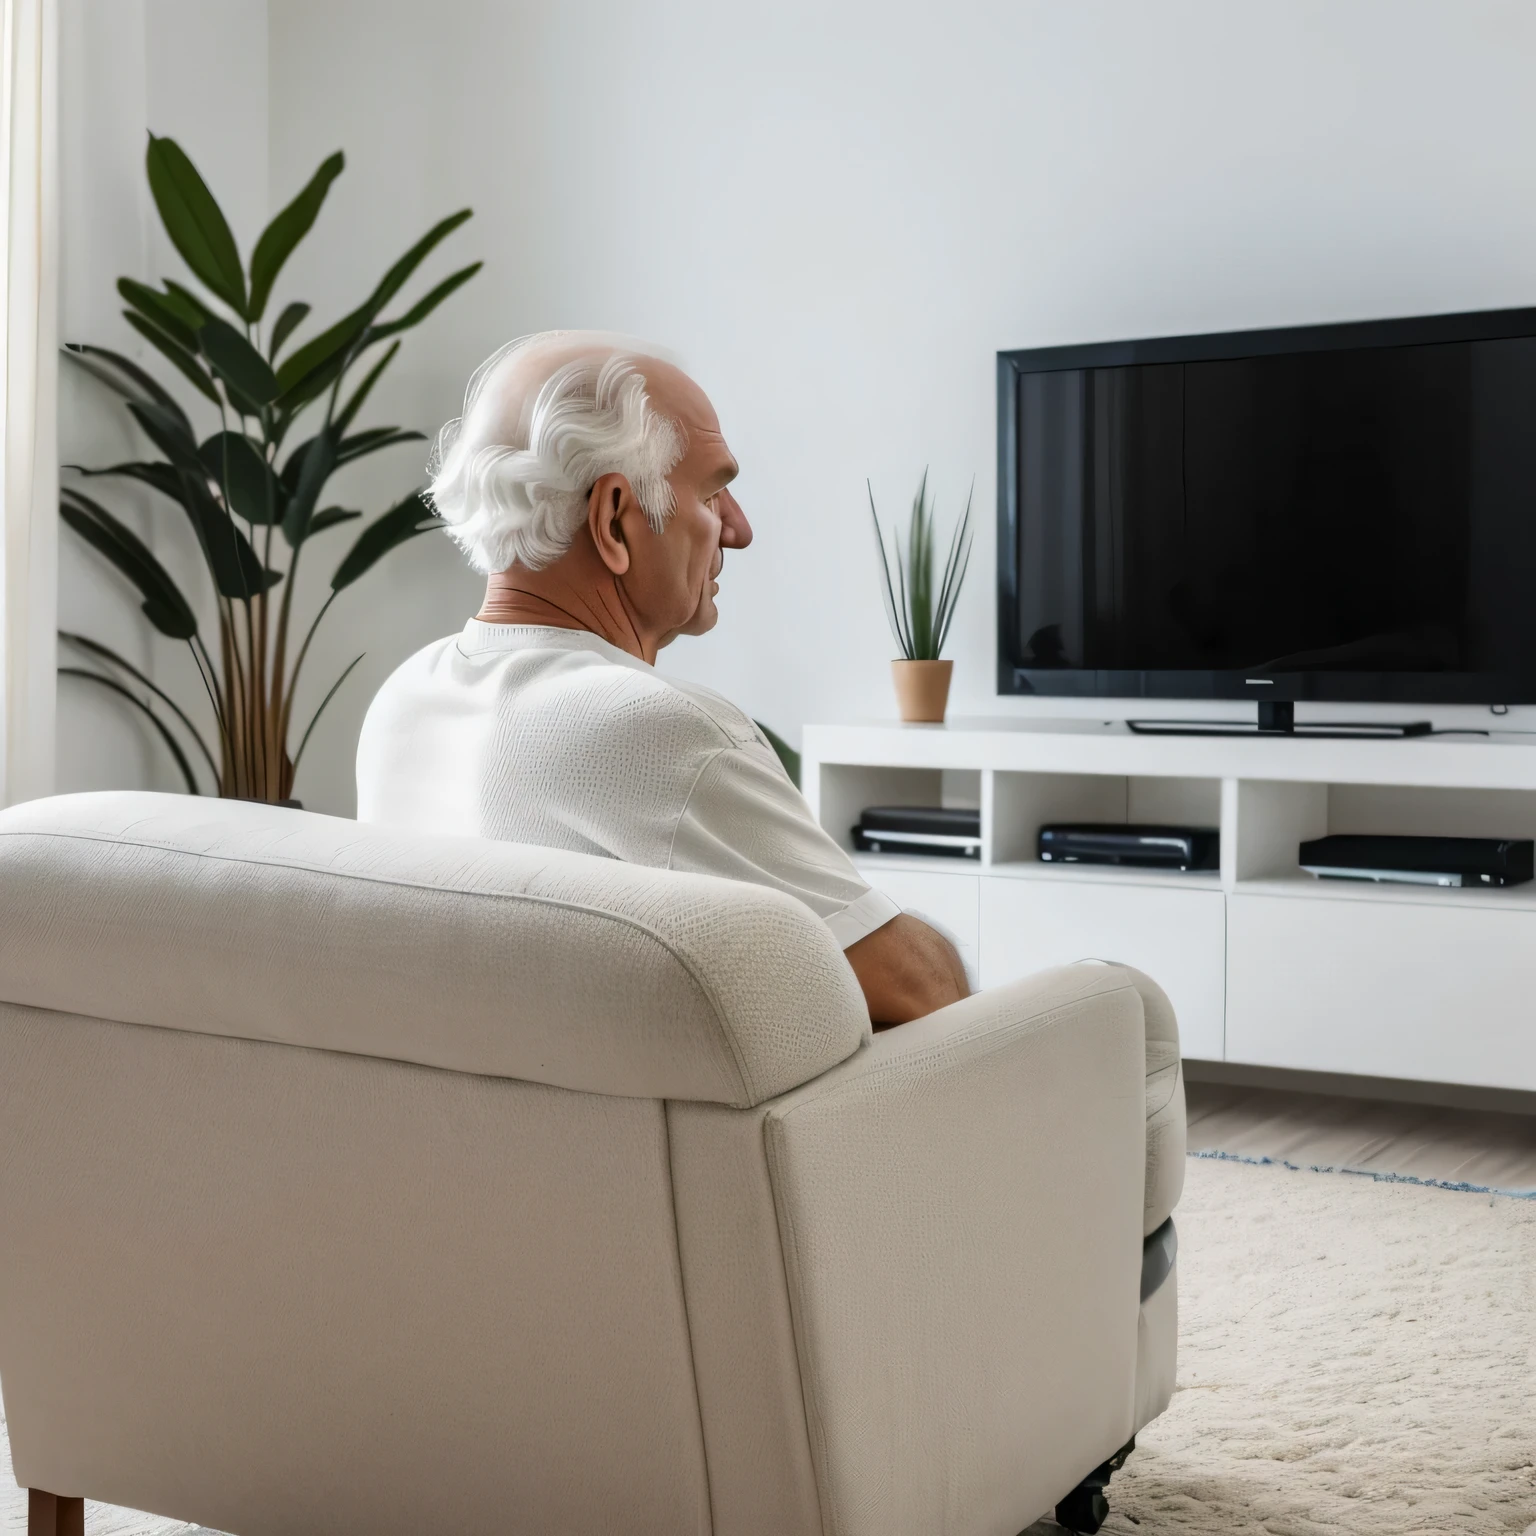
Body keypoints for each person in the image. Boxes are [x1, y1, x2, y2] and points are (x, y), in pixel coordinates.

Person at [356, 331, 969, 1026]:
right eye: (712, 495)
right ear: (614, 520)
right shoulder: (660, 732)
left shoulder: (404, 701)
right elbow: (923, 994)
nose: (737, 530)